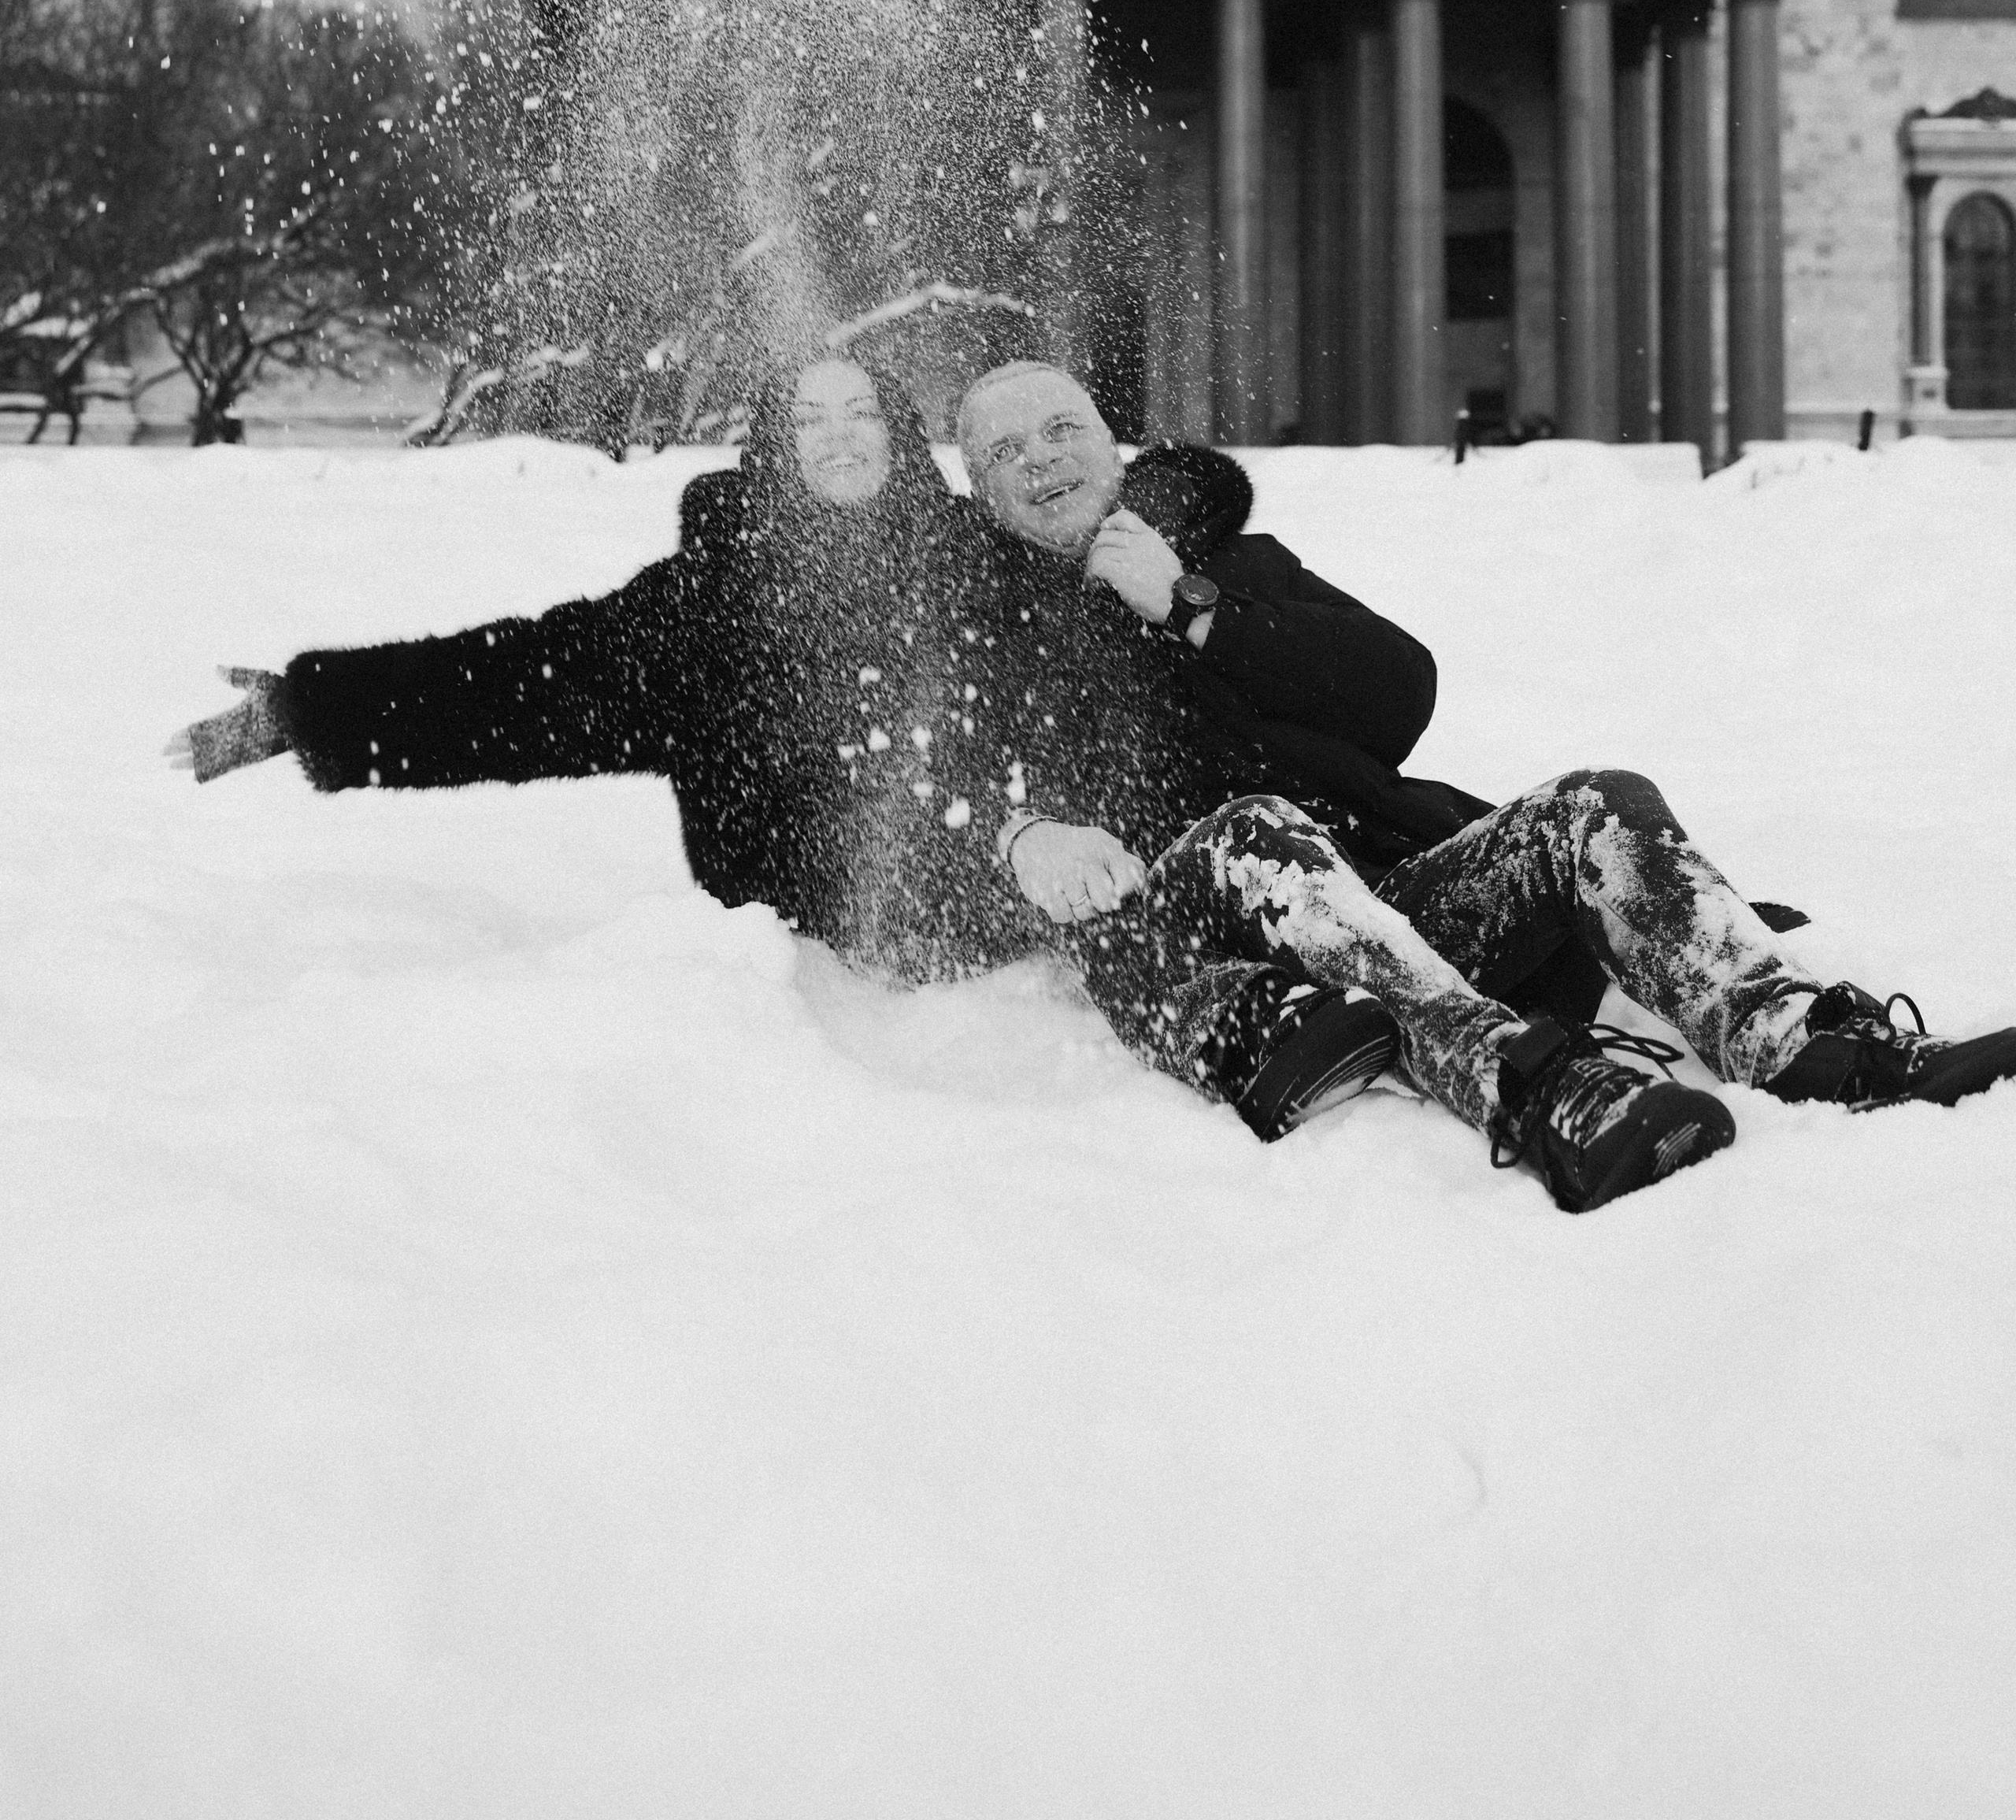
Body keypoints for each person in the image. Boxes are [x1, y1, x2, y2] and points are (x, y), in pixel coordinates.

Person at [952, 361, 2016, 1211]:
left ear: (1111, 441)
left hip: (1387, 893)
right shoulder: (982, 636)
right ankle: (1545, 1092)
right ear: (985, 496)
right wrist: (1022, 834)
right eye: (1006, 451)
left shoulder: (1221, 564)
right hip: (1233, 928)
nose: (1043, 460)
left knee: (1594, 800)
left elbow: (1395, 692)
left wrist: (1195, 608)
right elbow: (951, 799)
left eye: (1062, 430)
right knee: (1258, 828)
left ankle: (1801, 1043)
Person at [172, 355, 1020, 972]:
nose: (838, 434)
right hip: (796, 1003)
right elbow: (521, 684)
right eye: (806, 418)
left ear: (902, 432)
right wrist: (317, 710)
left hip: (1007, 996)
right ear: (771, 447)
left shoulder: (985, 565)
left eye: (862, 410)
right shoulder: (708, 606)